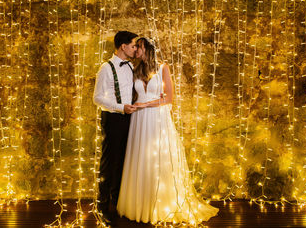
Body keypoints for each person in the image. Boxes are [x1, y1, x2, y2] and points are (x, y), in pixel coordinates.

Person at [117, 37, 219, 225]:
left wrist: (146, 103)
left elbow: (169, 98)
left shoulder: (163, 68)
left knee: (158, 160)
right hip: (139, 120)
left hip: (157, 118)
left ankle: (161, 204)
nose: (136, 50)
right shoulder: (135, 70)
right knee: (142, 158)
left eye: (138, 47)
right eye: (135, 47)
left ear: (147, 48)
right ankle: (140, 204)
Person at [93, 31, 139, 224]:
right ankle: (101, 208)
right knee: (108, 163)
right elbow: (97, 98)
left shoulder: (130, 66)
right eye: (133, 45)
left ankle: (116, 202)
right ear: (123, 46)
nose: (135, 49)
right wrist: (121, 107)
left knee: (122, 161)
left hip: (129, 119)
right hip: (112, 118)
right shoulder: (106, 68)